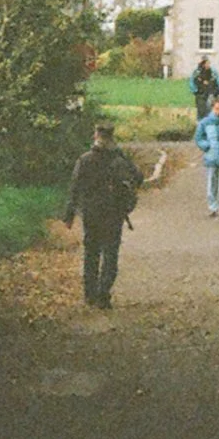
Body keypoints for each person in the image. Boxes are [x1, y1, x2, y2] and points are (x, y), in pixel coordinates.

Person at [62, 123, 143, 308]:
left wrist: (69, 214)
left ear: (96, 136)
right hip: (114, 212)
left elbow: (74, 188)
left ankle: (90, 294)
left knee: (91, 253)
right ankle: (103, 292)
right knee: (110, 254)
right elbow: (138, 177)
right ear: (112, 137)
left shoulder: (84, 160)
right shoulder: (120, 160)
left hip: (91, 212)